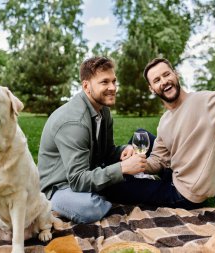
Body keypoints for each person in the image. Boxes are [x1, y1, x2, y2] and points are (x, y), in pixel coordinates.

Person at [100, 57, 215, 209]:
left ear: (176, 75)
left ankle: (112, 176)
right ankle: (134, 175)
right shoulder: (165, 120)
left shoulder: (204, 102)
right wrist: (138, 162)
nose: (164, 81)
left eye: (167, 75)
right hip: (174, 174)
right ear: (152, 88)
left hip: (186, 194)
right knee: (140, 134)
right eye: (157, 80)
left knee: (111, 186)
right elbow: (159, 160)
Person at [37, 56, 146, 224]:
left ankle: (109, 190)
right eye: (104, 82)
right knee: (90, 208)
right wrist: (122, 168)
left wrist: (124, 150)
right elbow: (78, 179)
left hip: (88, 172)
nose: (112, 88)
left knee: (120, 181)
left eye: (114, 81)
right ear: (86, 86)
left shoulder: (104, 111)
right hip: (59, 186)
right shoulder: (74, 122)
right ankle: (105, 193)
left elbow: (107, 152)